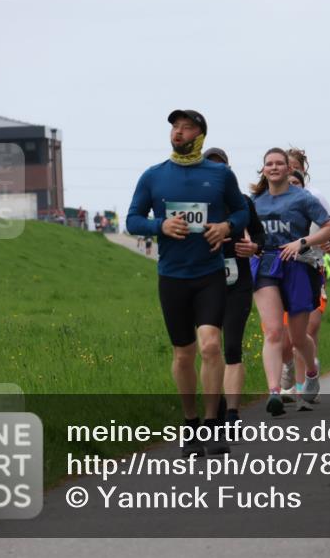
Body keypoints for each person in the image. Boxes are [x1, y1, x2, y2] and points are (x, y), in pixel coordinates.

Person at [126, 110, 249, 457]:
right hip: (172, 277)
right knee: (183, 355)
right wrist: (160, 226)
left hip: (210, 273)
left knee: (211, 346)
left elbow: (241, 213)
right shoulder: (153, 176)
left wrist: (226, 228)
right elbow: (133, 219)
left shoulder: (220, 174)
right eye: (174, 127)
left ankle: (212, 424)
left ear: (200, 135)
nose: (178, 132)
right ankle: (191, 422)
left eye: (186, 127)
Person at [250, 148, 330, 416]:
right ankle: (274, 392)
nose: (274, 167)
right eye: (269, 164)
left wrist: (302, 242)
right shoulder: (255, 201)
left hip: (297, 266)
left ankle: (311, 370)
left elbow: (329, 228)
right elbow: (243, 228)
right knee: (274, 332)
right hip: (265, 267)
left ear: (289, 169)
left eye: (279, 164)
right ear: (263, 169)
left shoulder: (303, 198)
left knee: (299, 338)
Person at [204, 147, 266, 426]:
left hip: (237, 283)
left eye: (221, 168)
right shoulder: (194, 203)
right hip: (203, 284)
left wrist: (253, 247)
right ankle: (213, 411)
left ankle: (232, 413)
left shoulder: (241, 202)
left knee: (231, 348)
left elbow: (259, 234)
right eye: (210, 166)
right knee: (209, 348)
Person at [284, 149, 330, 402]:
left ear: (302, 171)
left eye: (293, 167)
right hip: (279, 271)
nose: (287, 171)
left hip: (311, 268)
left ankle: (304, 385)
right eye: (283, 166)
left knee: (309, 328)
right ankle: (291, 378)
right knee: (283, 332)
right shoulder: (268, 199)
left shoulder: (314, 196)